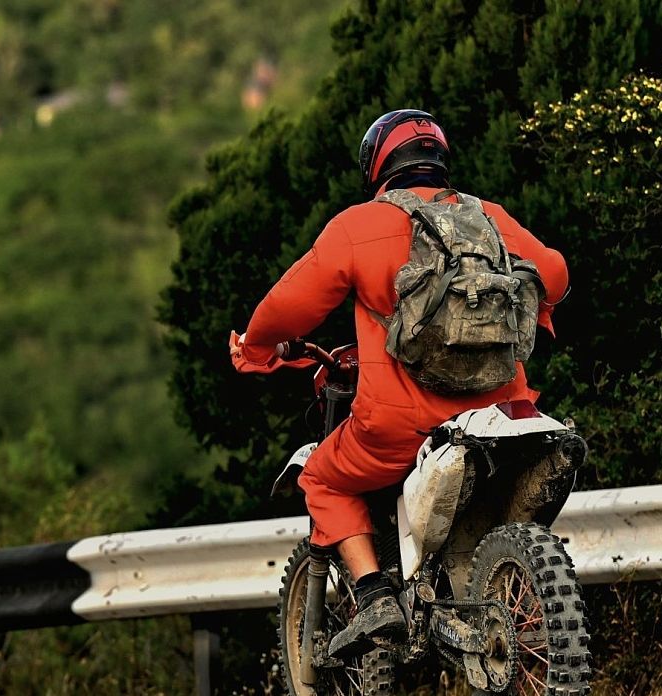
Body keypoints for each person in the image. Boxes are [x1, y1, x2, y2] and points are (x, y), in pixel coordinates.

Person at [229, 109, 569, 656]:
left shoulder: (358, 227)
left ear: (378, 166)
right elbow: (554, 274)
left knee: (323, 478)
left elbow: (287, 307)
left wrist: (255, 348)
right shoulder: (487, 218)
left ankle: (372, 595)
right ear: (440, 160)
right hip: (504, 412)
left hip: (401, 428)